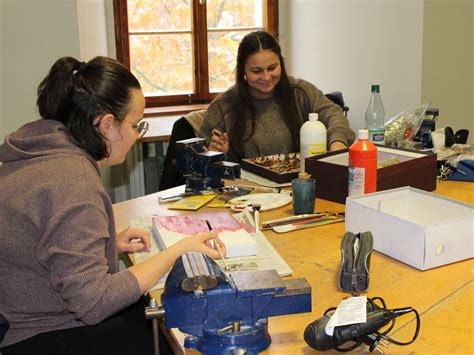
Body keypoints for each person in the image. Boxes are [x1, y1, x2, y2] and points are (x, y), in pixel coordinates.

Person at [0, 56, 226, 355]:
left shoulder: (38, 151)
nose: (136, 135)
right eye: (136, 125)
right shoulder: (72, 179)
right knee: (176, 336)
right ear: (107, 124)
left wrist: (105, 246)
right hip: (40, 336)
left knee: (153, 311)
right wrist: (176, 252)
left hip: (22, 314)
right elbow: (93, 304)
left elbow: (39, 241)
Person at [199, 31, 355, 162]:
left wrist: (337, 144)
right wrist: (218, 155)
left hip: (299, 184)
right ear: (243, 71)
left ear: (281, 63)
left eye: (272, 68)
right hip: (246, 192)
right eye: (256, 71)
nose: (266, 77)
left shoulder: (300, 92)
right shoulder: (223, 106)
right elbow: (200, 161)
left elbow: (333, 113)